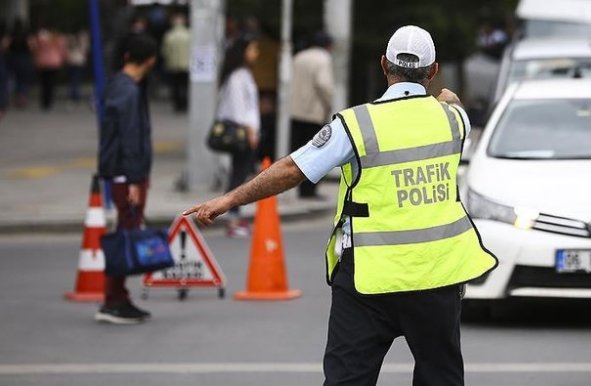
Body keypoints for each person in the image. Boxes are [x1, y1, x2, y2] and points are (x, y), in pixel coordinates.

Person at [184, 25, 498, 385]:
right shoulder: (454, 120)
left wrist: (228, 199)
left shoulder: (357, 124)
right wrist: (448, 99)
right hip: (436, 276)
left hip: (369, 279)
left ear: (384, 65)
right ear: (433, 70)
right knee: (440, 378)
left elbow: (292, 169)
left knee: (348, 380)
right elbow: (453, 106)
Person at [96, 34, 157, 324]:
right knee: (125, 235)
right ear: (150, 60)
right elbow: (130, 138)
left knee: (126, 231)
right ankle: (113, 300)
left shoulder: (118, 85)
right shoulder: (129, 91)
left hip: (124, 173)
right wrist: (135, 179)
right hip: (126, 175)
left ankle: (118, 297)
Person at [216, 35, 260, 238]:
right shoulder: (237, 77)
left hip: (247, 132)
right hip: (242, 133)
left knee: (240, 173)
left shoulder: (243, 74)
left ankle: (235, 215)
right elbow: (239, 109)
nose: (255, 53)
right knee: (238, 175)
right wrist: (250, 131)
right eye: (252, 49)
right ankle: (232, 218)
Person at [288, 31, 334, 198]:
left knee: (299, 152)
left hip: (296, 110)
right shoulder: (323, 59)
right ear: (328, 45)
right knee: (316, 153)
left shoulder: (299, 57)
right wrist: (328, 103)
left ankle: (300, 188)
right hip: (314, 112)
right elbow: (323, 84)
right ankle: (310, 190)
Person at [30, 25, 66, 111]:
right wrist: (63, 58)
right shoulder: (58, 38)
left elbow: (34, 48)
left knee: (44, 83)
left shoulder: (40, 37)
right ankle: (49, 101)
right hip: (54, 62)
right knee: (51, 83)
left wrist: (35, 58)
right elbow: (62, 49)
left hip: (42, 62)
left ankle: (44, 101)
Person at [162, 13, 190, 112]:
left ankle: (177, 104)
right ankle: (185, 103)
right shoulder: (189, 35)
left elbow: (165, 51)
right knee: (185, 85)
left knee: (175, 85)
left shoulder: (169, 35)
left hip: (173, 65)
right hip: (187, 64)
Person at [6, 18, 32, 109]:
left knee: (15, 78)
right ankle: (22, 97)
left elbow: (6, 46)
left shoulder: (11, 34)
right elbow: (30, 46)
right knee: (23, 79)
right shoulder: (25, 35)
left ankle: (16, 96)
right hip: (24, 58)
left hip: (13, 58)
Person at [65, 28, 89, 107]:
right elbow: (84, 52)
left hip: (73, 62)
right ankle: (75, 96)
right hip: (78, 62)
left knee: (73, 80)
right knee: (76, 80)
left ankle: (73, 96)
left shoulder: (73, 41)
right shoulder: (81, 42)